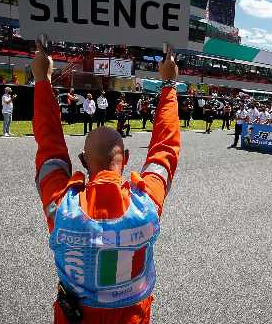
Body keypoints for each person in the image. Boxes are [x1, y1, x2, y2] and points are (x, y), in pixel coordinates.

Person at [32, 40, 180, 324]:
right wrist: (169, 84)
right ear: (124, 157)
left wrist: (42, 80)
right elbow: (165, 149)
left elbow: (50, 150)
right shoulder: (146, 202)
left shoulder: (63, 206)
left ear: (83, 162)